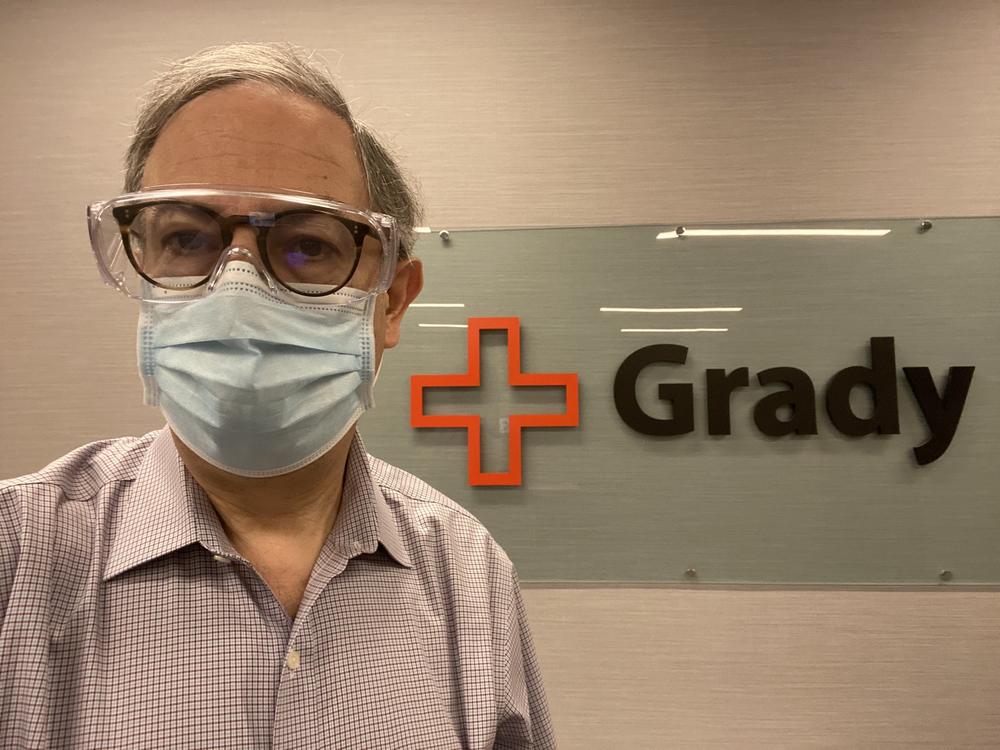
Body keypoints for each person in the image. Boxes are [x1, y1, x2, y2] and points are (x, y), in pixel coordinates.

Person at [0, 42, 556, 749]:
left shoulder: (467, 576)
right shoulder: (16, 558)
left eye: (306, 246)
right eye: (186, 238)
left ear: (390, 305)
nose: (237, 290)